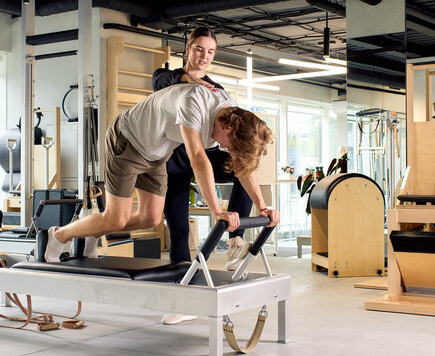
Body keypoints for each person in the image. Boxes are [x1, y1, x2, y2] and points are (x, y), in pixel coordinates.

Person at [44, 83, 280, 270]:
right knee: (116, 219)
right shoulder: (194, 105)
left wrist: (262, 207)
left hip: (157, 154)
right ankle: (59, 235)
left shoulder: (232, 113)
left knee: (150, 218)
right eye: (229, 145)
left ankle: (92, 231)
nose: (226, 148)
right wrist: (217, 211)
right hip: (128, 142)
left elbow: (243, 168)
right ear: (228, 128)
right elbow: (198, 158)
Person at [152, 27, 255, 271]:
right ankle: (180, 276)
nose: (204, 56)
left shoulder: (215, 88)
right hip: (174, 162)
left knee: (243, 169)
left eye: (210, 51)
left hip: (203, 156)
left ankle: (235, 240)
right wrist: (186, 79)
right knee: (178, 227)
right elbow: (159, 81)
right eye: (199, 49)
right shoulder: (166, 78)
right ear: (188, 49)